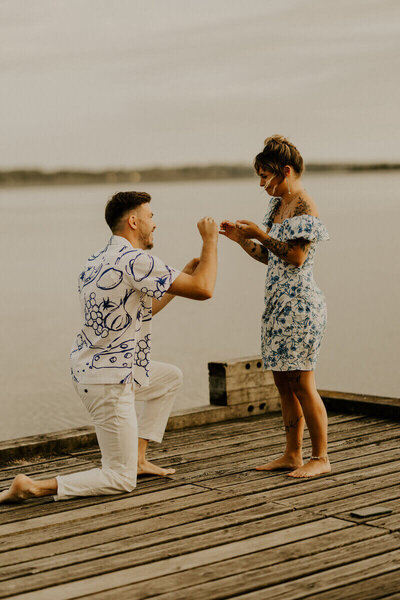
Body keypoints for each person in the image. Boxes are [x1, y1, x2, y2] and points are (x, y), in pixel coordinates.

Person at [0, 191, 218, 502]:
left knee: (169, 378)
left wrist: (175, 280)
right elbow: (204, 288)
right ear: (133, 221)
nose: (154, 223)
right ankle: (34, 486)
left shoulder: (97, 260)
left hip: (96, 370)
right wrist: (210, 241)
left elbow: (145, 309)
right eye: (150, 216)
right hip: (108, 381)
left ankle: (139, 458)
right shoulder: (135, 260)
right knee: (119, 477)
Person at [220, 135, 330, 478]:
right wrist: (243, 240)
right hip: (277, 307)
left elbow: (296, 257)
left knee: (302, 382)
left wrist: (260, 234)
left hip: (300, 306)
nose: (261, 183)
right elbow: (271, 258)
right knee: (283, 383)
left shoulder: (303, 205)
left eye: (265, 176)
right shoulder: (277, 205)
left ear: (285, 171)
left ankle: (321, 458)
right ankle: (292, 454)